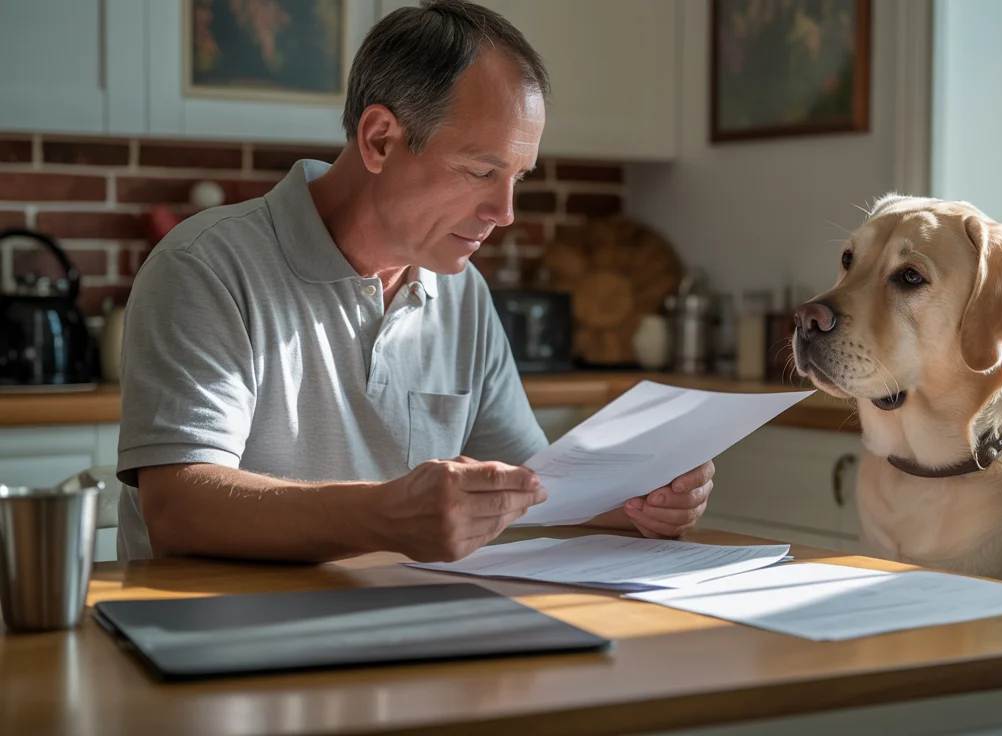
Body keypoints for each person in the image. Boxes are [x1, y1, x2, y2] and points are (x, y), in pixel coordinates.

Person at [113, 0, 714, 563]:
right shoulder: (205, 266)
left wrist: (637, 499)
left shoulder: (462, 292)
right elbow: (177, 506)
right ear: (380, 140)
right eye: (482, 171)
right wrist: (382, 514)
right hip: (212, 645)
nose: (505, 211)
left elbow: (530, 485)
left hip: (404, 636)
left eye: (517, 178)